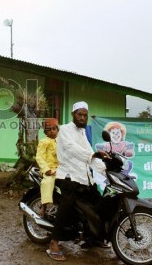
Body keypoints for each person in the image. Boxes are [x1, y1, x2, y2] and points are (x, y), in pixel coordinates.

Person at [46, 101, 110, 262]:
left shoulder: (82, 133)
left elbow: (89, 154)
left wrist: (106, 169)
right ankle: (54, 244)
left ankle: (92, 238)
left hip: (83, 177)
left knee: (98, 203)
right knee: (66, 207)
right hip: (68, 177)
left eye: (85, 115)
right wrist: (92, 156)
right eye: (79, 114)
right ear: (73, 115)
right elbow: (72, 149)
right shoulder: (65, 130)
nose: (82, 118)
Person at [35, 118, 60, 218]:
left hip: (60, 169)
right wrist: (46, 170)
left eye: (54, 128)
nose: (52, 131)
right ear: (45, 132)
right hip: (49, 169)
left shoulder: (60, 141)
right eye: (49, 129)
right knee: (48, 182)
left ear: (58, 129)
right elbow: (39, 157)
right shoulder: (44, 141)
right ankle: (44, 207)